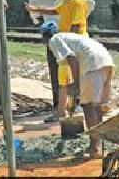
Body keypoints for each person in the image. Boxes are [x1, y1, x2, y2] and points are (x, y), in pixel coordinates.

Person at [41, 21, 114, 158]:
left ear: (44, 37)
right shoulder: (70, 37)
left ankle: (94, 148)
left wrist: (76, 84)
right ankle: (98, 145)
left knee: (87, 106)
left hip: (91, 63)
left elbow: (72, 59)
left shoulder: (54, 40)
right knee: (96, 105)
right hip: (106, 61)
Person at [27, 0, 95, 112]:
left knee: (75, 73)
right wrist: (39, 16)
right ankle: (60, 105)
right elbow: (54, 10)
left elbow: (87, 8)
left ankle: (78, 103)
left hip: (71, 41)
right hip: (56, 40)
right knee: (59, 73)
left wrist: (72, 40)